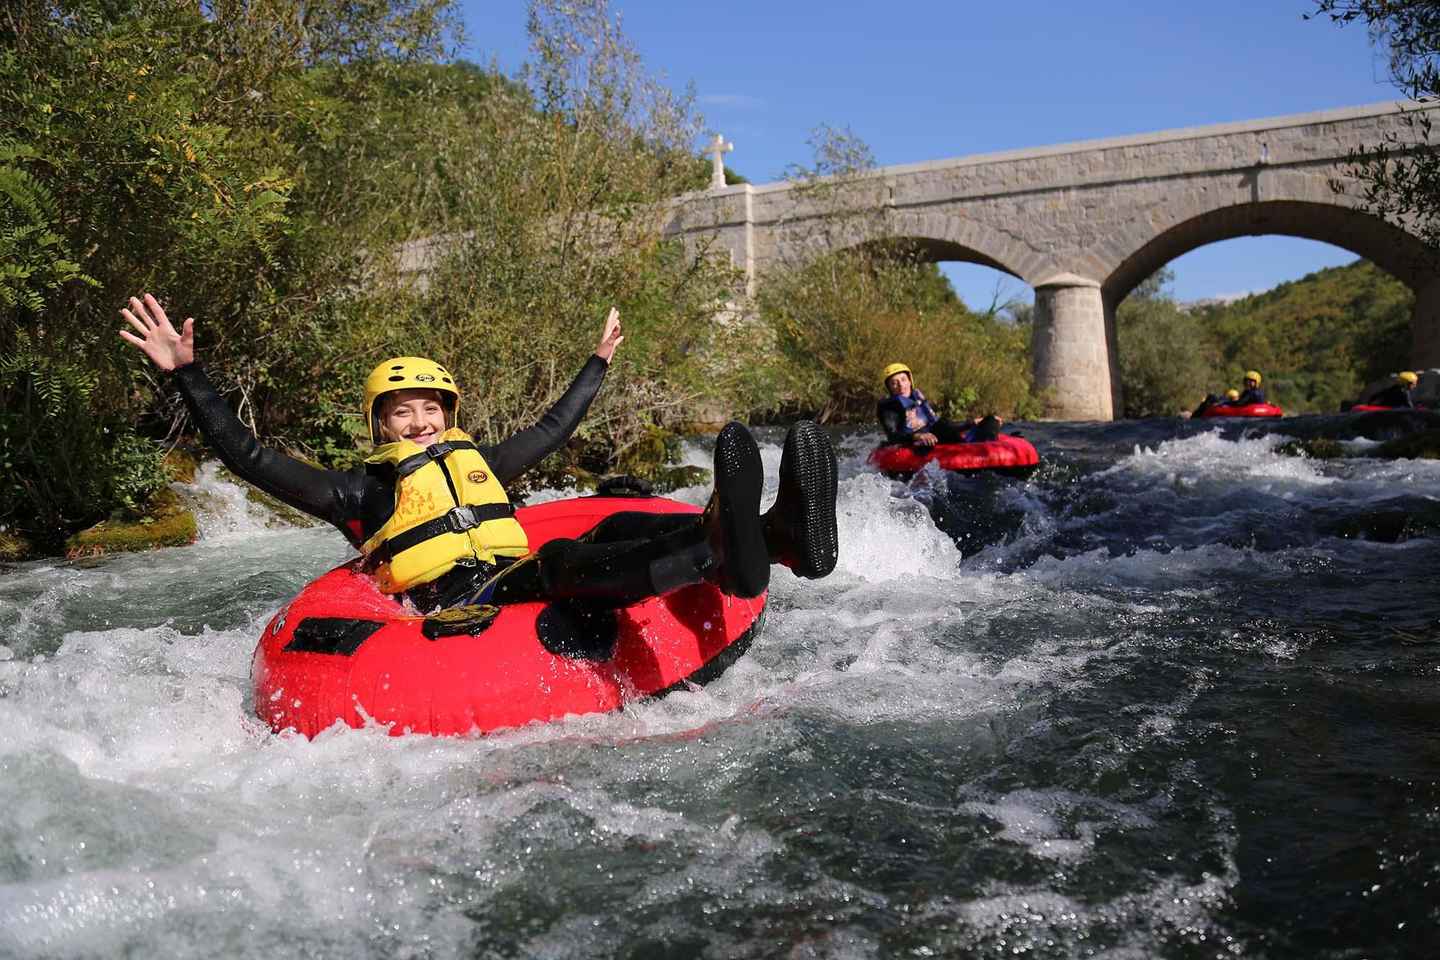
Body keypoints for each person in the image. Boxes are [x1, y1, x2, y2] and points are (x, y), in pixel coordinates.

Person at [118, 293, 839, 617]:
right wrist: (188, 376)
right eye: (403, 411)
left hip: (510, 576)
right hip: (466, 606)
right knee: (564, 563)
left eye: (432, 408)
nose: (422, 421)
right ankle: (723, 551)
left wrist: (597, 362)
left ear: (449, 415)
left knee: (616, 523)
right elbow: (249, 456)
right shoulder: (355, 493)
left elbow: (552, 430)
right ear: (380, 425)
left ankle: (774, 535)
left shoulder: (479, 463)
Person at [875, 362, 1002, 447]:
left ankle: (989, 450)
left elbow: (940, 425)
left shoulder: (917, 399)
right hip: (915, 445)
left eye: (903, 380)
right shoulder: (889, 408)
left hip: (936, 436)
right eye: (894, 383)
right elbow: (894, 437)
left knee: (990, 421)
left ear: (910, 381)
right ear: (889, 388)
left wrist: (972, 423)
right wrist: (917, 436)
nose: (900, 385)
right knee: (942, 429)